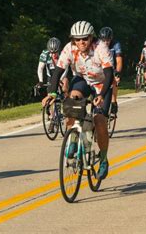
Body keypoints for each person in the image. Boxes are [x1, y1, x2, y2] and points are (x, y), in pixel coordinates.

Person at [42, 21, 113, 180]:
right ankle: (73, 136)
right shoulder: (69, 48)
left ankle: (103, 159)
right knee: (72, 100)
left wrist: (101, 95)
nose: (81, 42)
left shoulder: (101, 48)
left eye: (85, 39)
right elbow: (58, 71)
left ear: (91, 38)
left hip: (102, 82)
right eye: (77, 39)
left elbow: (109, 74)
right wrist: (52, 93)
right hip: (82, 80)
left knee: (99, 119)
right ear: (73, 39)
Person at [98, 27, 122, 114]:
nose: (105, 42)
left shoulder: (116, 44)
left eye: (108, 40)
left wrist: (117, 73)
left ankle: (113, 102)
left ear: (111, 39)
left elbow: (119, 60)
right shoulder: (97, 45)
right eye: (103, 40)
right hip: (101, 67)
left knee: (114, 80)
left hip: (112, 66)